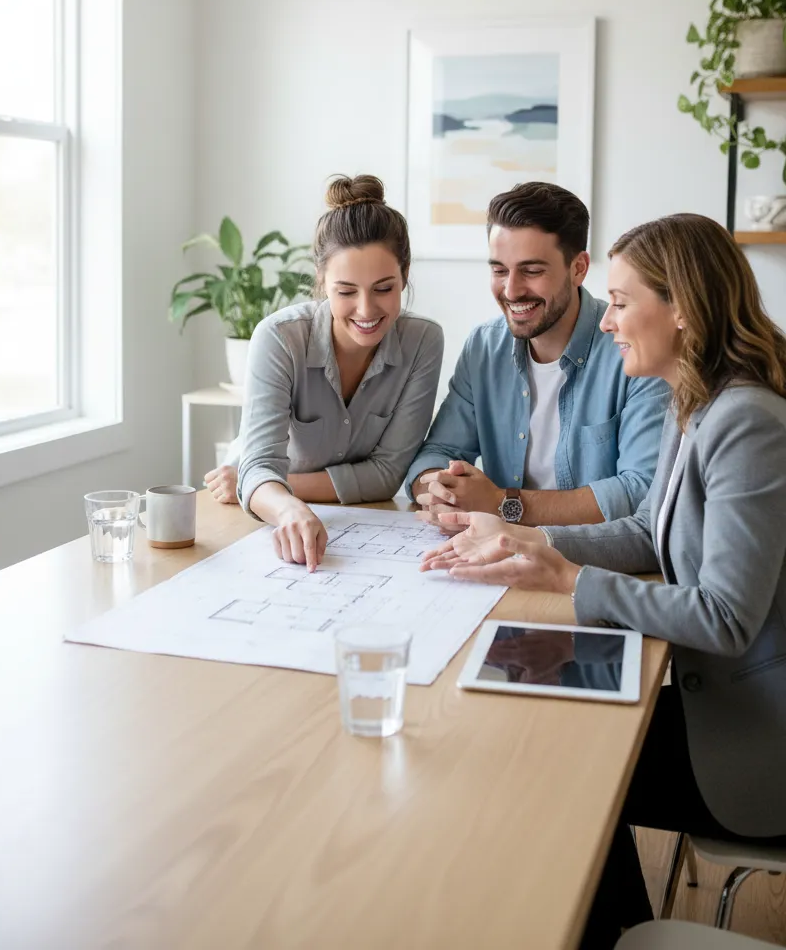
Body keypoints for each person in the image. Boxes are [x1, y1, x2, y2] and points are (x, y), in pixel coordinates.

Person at [421, 213, 786, 946]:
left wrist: (566, 578)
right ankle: (620, 928)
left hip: (756, 749)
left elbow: (725, 618)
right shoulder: (702, 397)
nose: (608, 320)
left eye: (621, 302)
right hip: (719, 705)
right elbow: (649, 530)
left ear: (681, 306)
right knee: (559, 750)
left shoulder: (748, 421)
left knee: (557, 772)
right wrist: (523, 538)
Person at [205, 175, 443, 571]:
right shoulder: (279, 338)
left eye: (384, 288)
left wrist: (272, 485)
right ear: (322, 283)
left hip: (271, 495)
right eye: (346, 291)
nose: (366, 310)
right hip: (252, 509)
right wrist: (279, 503)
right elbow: (261, 463)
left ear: (404, 275)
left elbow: (387, 474)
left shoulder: (424, 342)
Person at [406, 181, 669, 528]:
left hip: (593, 563)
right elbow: (436, 454)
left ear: (578, 268)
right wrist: (442, 492)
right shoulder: (484, 347)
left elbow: (642, 490)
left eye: (531, 271)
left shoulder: (634, 350)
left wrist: (503, 504)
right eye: (499, 270)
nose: (511, 290)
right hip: (499, 555)